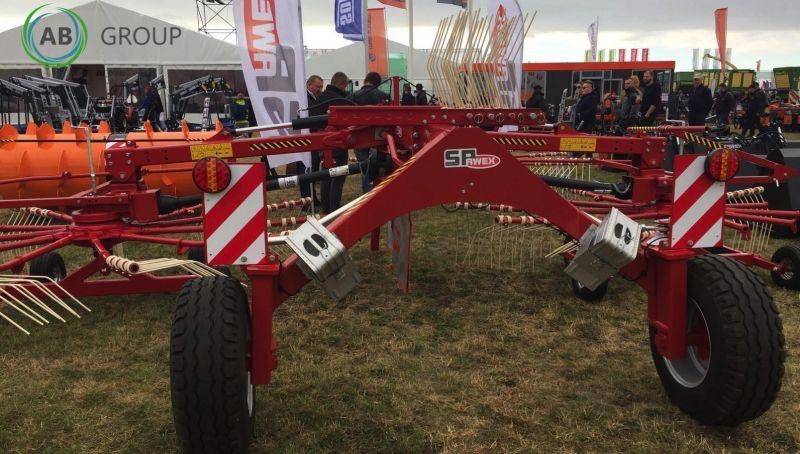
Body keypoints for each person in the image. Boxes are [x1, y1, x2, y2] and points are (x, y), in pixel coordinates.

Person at [314, 72, 352, 213]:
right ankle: (334, 207)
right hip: (337, 143)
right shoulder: (340, 100)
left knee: (326, 175)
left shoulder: (321, 98)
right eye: (345, 85)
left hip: (321, 142)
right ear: (341, 84)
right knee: (338, 175)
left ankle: (326, 207)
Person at [351, 72, 390, 194]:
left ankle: (367, 191)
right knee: (378, 165)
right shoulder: (384, 96)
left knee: (364, 166)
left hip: (359, 135)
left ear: (366, 80)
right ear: (378, 83)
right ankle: (378, 191)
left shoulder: (354, 96)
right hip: (379, 137)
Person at [298, 75, 324, 205]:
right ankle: (307, 200)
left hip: (314, 139)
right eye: (317, 86)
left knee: (312, 169)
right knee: (305, 169)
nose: (320, 89)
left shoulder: (315, 98)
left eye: (321, 87)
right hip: (306, 139)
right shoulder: (303, 99)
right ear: (309, 85)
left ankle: (312, 197)